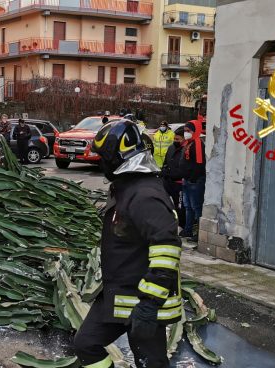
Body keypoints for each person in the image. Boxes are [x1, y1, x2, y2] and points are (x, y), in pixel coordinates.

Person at [73, 120, 183, 368]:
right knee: (86, 345)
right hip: (119, 295)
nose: (101, 164)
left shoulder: (144, 195)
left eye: (104, 157)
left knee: (150, 362)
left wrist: (149, 304)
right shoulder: (129, 188)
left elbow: (167, 248)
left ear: (116, 157)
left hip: (143, 302)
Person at [180, 121, 205, 241]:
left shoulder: (198, 143)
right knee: (188, 207)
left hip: (194, 181)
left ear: (195, 131)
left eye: (188, 131)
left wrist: (192, 178)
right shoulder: (188, 143)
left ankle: (198, 233)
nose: (186, 133)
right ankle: (188, 229)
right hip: (187, 180)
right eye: (185, 130)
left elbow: (199, 163)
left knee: (196, 207)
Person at [161, 126, 187, 230]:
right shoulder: (171, 148)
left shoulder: (186, 150)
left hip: (179, 184)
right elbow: (166, 162)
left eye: (178, 139)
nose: (175, 141)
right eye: (174, 139)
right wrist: (163, 171)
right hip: (167, 182)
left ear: (183, 139)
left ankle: (181, 226)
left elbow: (184, 169)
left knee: (179, 207)